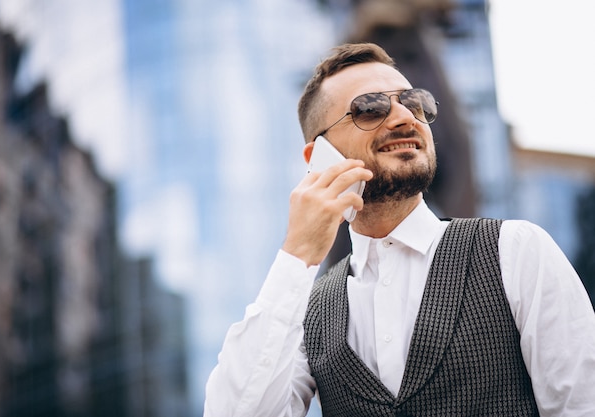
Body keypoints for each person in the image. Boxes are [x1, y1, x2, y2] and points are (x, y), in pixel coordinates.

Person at [203, 42, 595, 416]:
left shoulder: (516, 249)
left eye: (415, 103)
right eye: (370, 108)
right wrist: (297, 254)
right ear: (318, 155)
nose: (406, 117)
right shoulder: (305, 309)